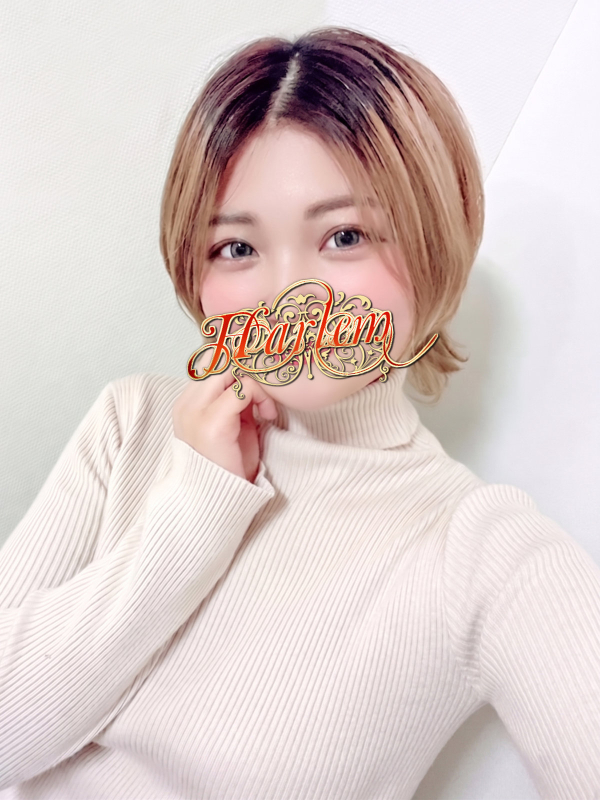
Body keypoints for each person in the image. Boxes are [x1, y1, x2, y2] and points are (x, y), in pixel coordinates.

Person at [1, 25, 599, 800]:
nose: (290, 292)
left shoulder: (480, 550)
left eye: (345, 236)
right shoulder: (132, 424)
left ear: (433, 243)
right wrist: (194, 510)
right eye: (237, 248)